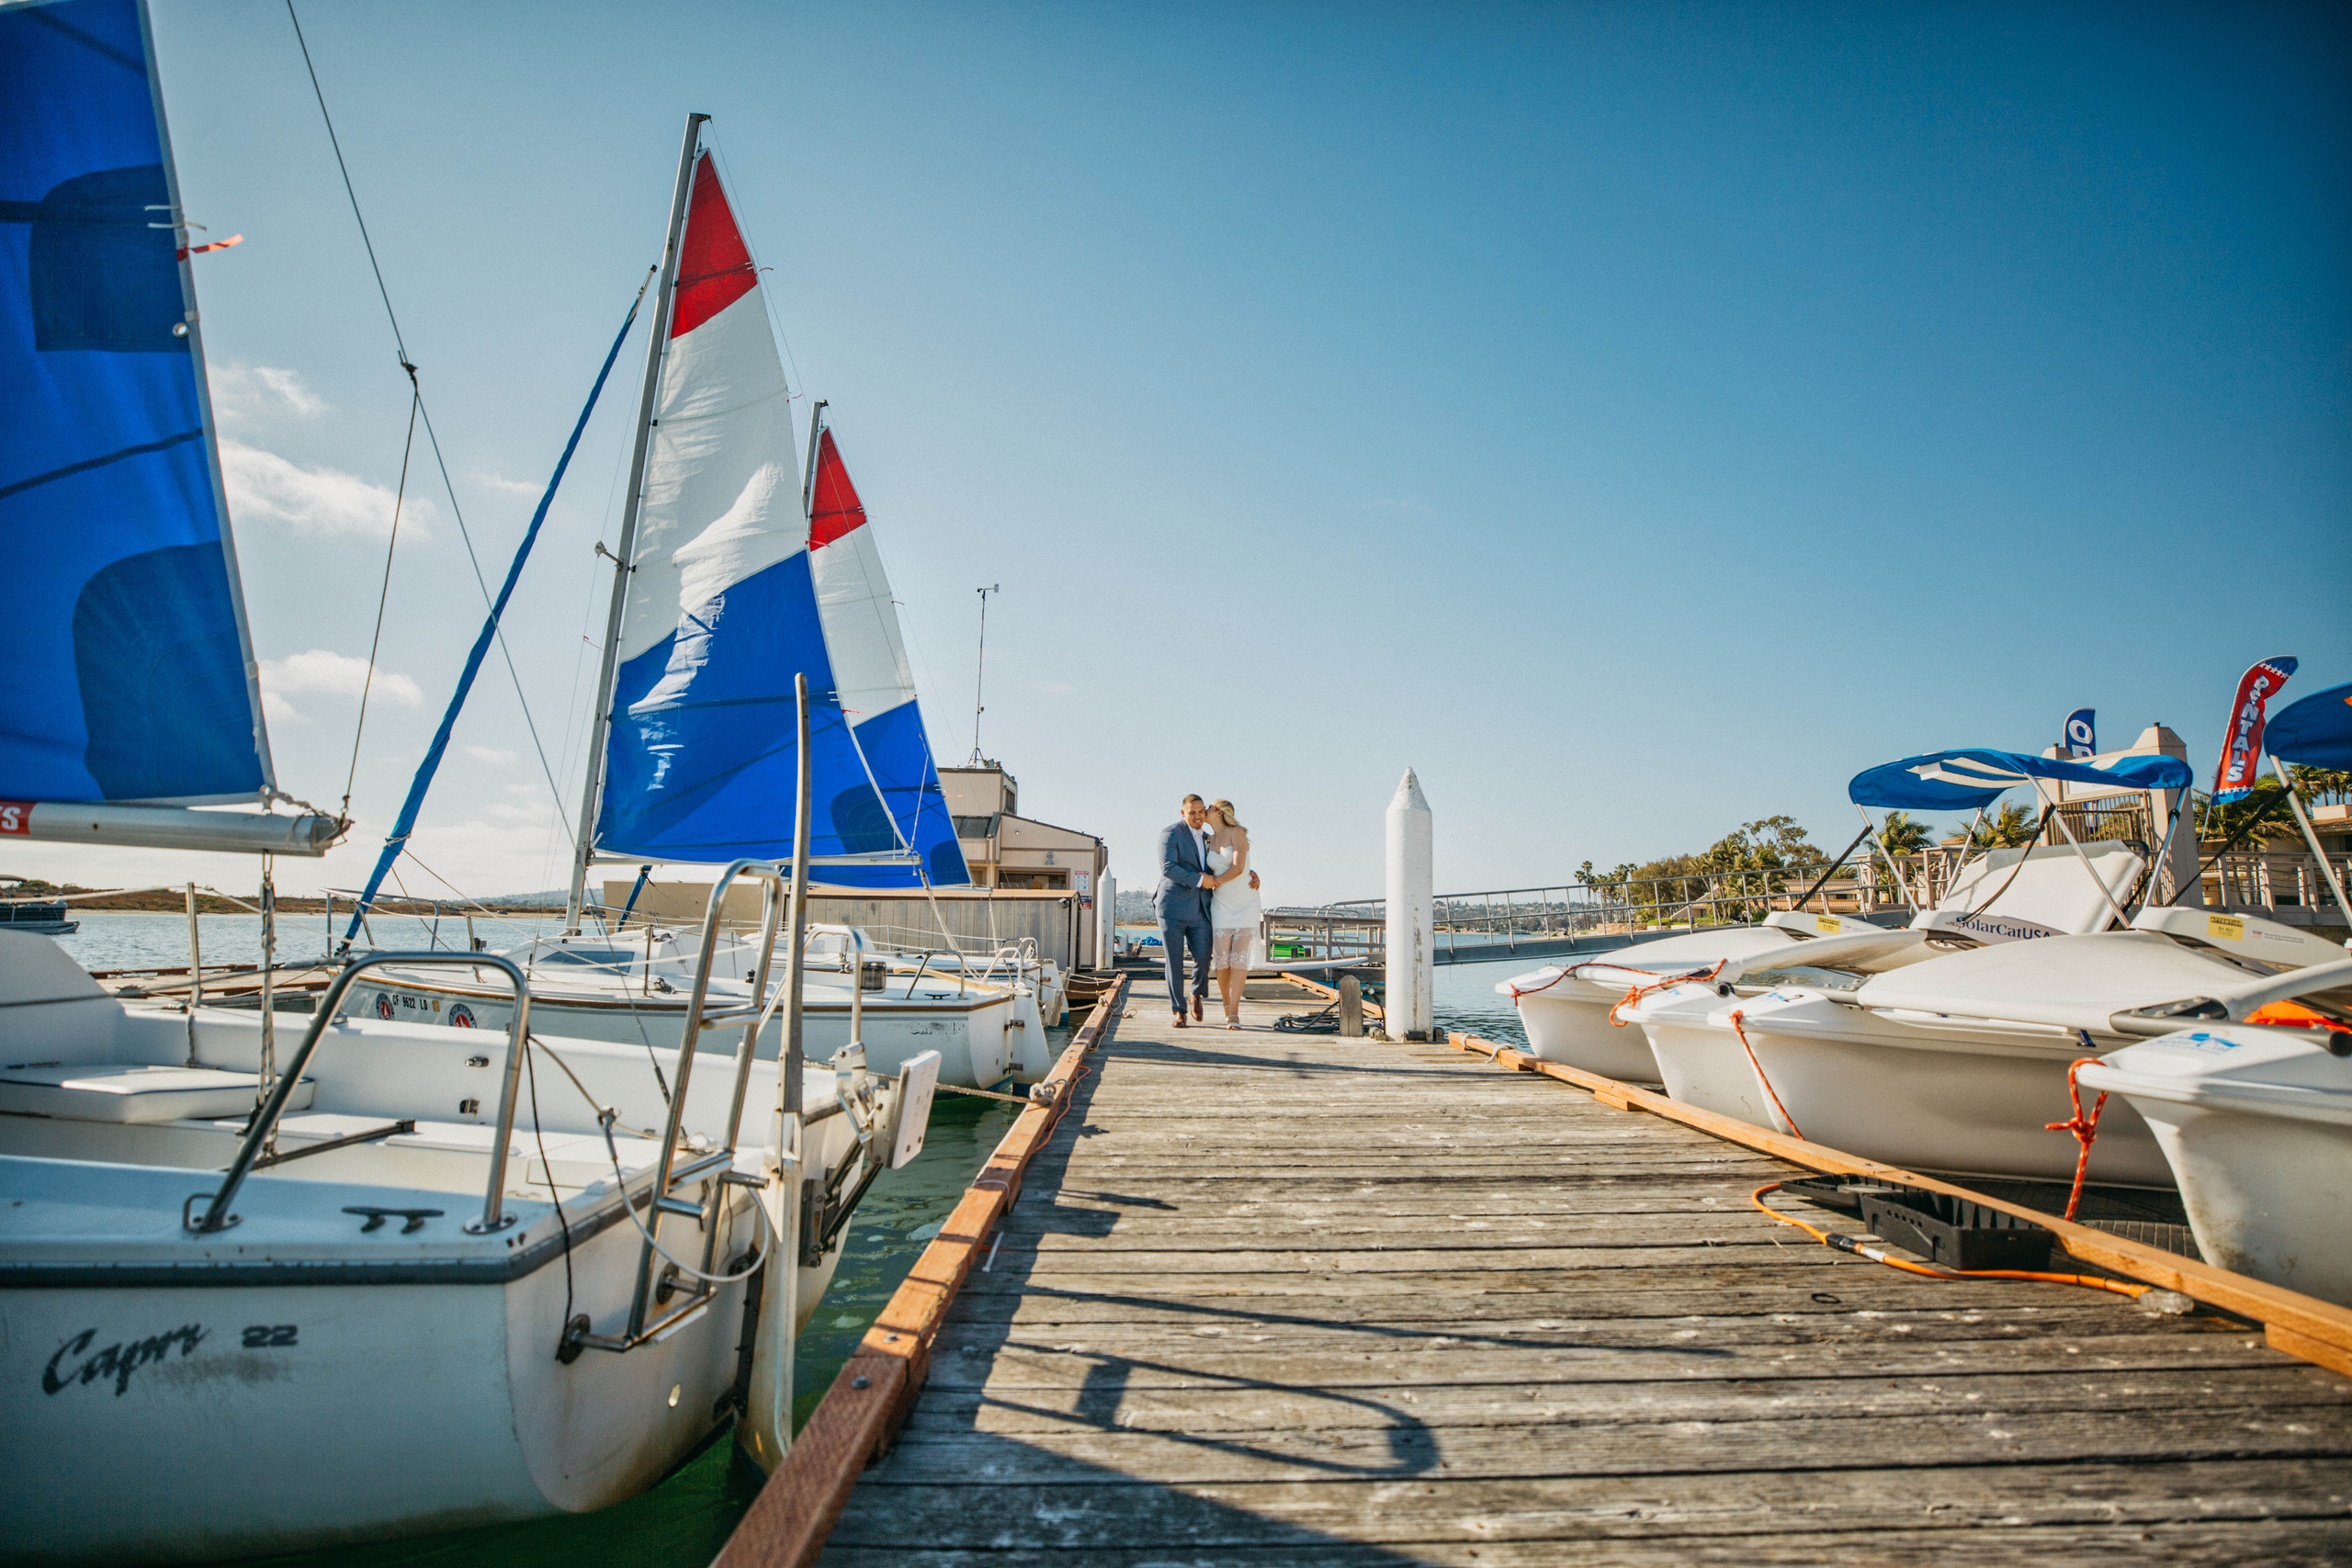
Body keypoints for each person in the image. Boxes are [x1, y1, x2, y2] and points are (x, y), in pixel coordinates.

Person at [1154, 793, 1260, 1028]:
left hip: (1203, 908)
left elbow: (1230, 859)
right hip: (1172, 906)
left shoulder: (1210, 837)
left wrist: (1252, 874)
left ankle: (1196, 994)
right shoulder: (1170, 833)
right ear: (1183, 813)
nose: (1198, 816)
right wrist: (1201, 881)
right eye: (1192, 812)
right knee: (1174, 961)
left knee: (1204, 958)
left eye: (1201, 811)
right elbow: (1169, 868)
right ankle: (1178, 1010)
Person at [1204, 799, 1263, 1029]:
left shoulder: (1237, 832)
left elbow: (1239, 867)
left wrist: (1215, 881)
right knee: (1222, 960)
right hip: (1221, 904)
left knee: (1239, 957)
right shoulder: (1207, 839)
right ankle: (1226, 1006)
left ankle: (1235, 1014)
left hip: (1245, 902)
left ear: (1218, 812)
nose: (1205, 811)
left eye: (1208, 807)